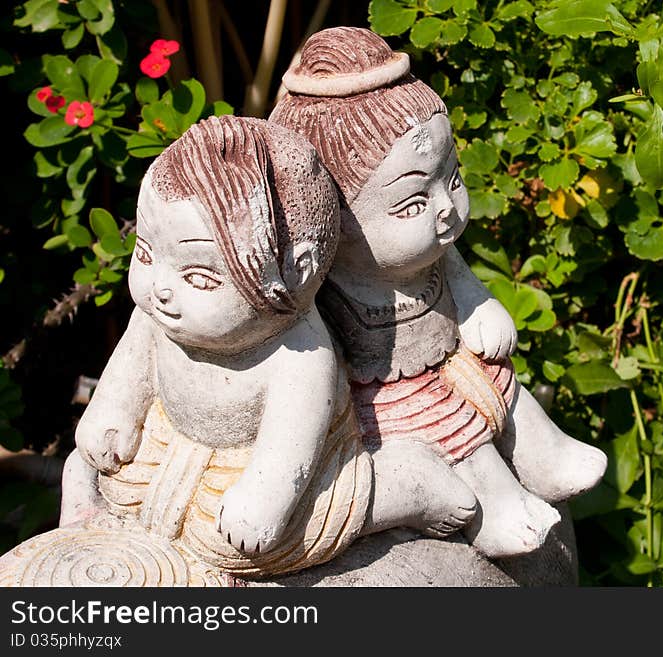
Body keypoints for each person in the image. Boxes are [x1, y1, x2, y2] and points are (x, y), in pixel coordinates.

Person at [61, 115, 481, 578]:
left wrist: (266, 498)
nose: (158, 286)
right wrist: (113, 411)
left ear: (295, 274)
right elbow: (129, 367)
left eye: (199, 276)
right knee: (97, 475)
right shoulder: (159, 312)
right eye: (145, 253)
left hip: (277, 469)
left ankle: (404, 485)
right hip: (174, 444)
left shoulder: (300, 354)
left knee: (243, 546)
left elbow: (288, 452)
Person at [269, 27, 607, 557]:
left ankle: (543, 454)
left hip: (450, 357)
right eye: (410, 204)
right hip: (386, 399)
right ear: (329, 218)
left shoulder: (437, 254)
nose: (446, 208)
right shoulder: (325, 288)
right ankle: (495, 505)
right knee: (444, 426)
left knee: (499, 379)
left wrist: (478, 303)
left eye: (451, 179)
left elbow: (460, 279)